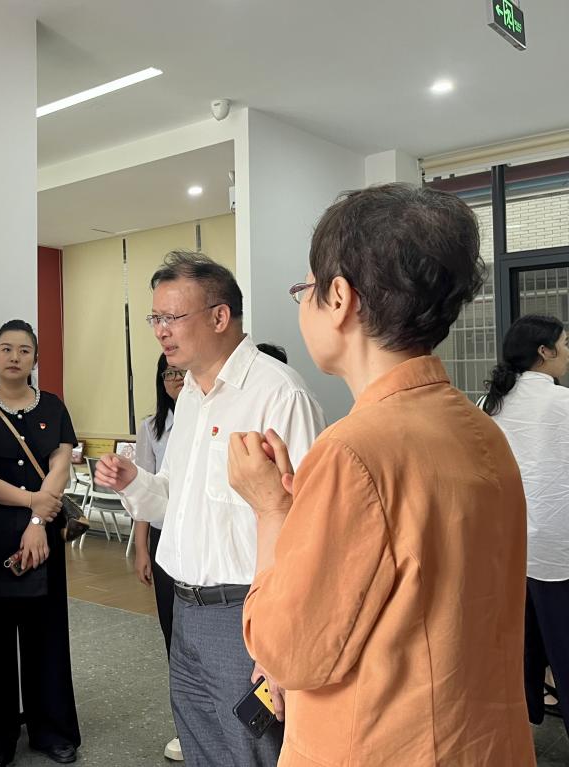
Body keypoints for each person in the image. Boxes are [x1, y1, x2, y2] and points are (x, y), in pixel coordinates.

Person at [228, 183, 536, 765]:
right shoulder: (478, 429)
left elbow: (288, 653)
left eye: (305, 289)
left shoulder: (354, 450)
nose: (302, 303)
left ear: (339, 298)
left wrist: (270, 510)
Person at [95, 252, 325, 767]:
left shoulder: (278, 395)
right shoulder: (192, 397)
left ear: (220, 317)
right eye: (155, 318)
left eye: (172, 317)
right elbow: (176, 501)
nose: (160, 331)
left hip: (246, 617)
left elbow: (310, 528)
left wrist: (279, 643)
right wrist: (135, 483)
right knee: (200, 745)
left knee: (251, 753)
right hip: (186, 611)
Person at [0, 320, 81, 767]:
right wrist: (33, 504)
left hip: (44, 533)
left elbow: (60, 466)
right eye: (6, 349)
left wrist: (37, 520)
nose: (14, 357)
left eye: (24, 350)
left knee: (48, 634)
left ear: (35, 359)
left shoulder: (53, 405)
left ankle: (53, 732)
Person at [481, 314, 569, 739]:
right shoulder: (561, 403)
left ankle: (524, 722)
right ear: (544, 351)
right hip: (558, 550)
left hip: (509, 547)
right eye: (565, 344)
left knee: (521, 647)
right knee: (564, 648)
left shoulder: (490, 404)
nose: (567, 352)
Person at [131, 353, 184, 761]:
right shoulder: (153, 428)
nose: (177, 379)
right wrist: (141, 548)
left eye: (182, 372)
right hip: (166, 536)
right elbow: (144, 491)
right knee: (172, 628)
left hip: (202, 536)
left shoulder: (214, 416)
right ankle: (185, 724)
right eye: (169, 373)